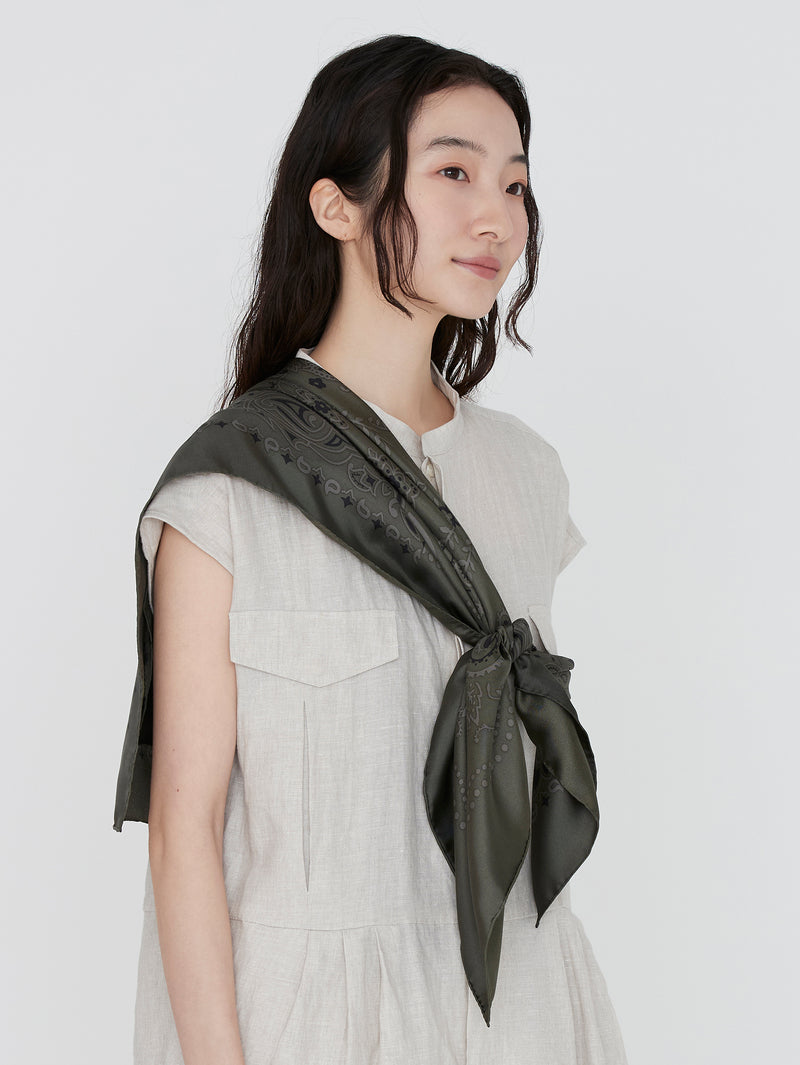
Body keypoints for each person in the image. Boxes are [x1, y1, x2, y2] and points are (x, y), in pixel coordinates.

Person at [119, 33, 628, 1065]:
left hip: (524, 1013)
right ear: (336, 206)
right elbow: (184, 827)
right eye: (452, 173)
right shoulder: (230, 488)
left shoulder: (528, 474)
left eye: (515, 184)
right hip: (318, 1024)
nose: (496, 218)